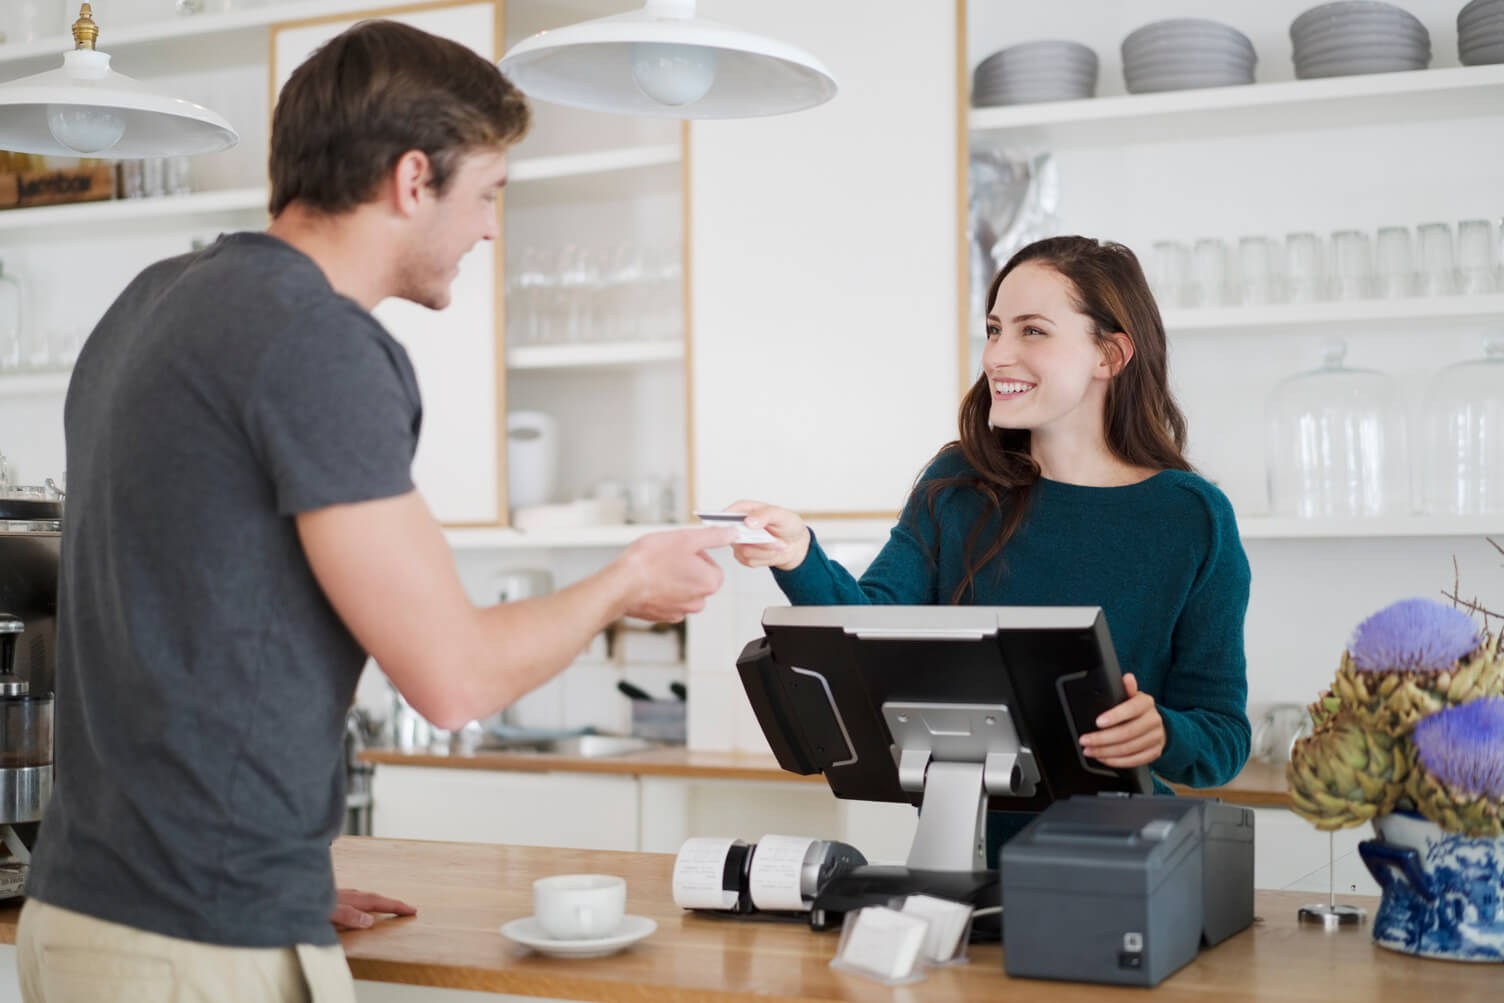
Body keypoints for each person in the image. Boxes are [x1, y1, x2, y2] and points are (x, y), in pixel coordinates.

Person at [16, 19, 735, 1003]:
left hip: (97, 915)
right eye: (485, 195)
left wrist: (285, 869)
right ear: (410, 180)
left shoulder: (156, 299)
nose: (488, 229)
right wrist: (625, 581)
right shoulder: (318, 340)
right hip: (193, 942)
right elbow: (454, 680)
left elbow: (195, 625)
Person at [728, 235, 1251, 862]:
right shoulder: (958, 486)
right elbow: (873, 621)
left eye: (1032, 331)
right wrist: (799, 555)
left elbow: (1222, 735)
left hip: (1122, 866)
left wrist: (1163, 731)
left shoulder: (1192, 518)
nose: (998, 355)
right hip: (957, 853)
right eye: (994, 329)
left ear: (1109, 355)